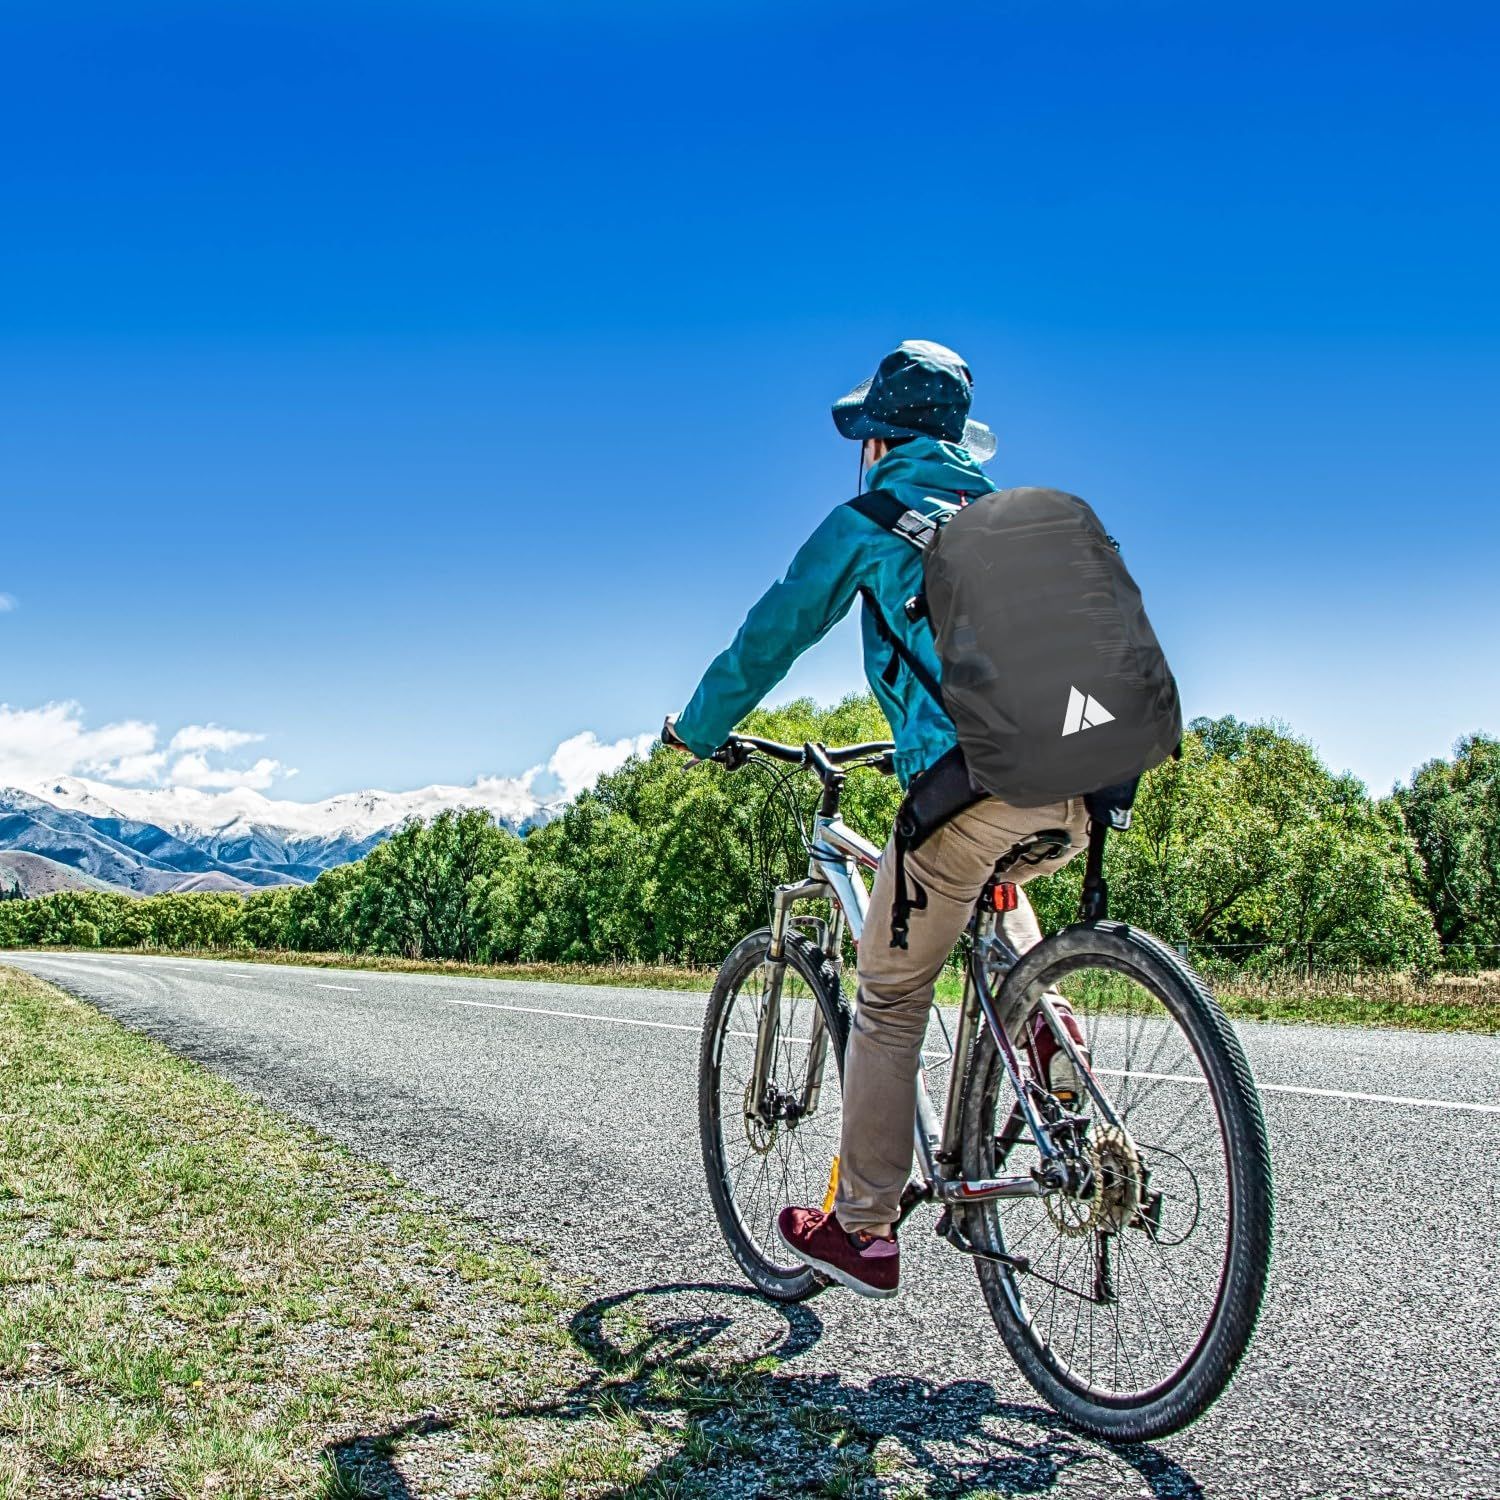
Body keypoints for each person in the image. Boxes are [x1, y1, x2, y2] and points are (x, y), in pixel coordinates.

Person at [664, 340, 1088, 1299]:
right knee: (992, 889)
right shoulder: (1021, 521)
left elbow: (772, 633)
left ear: (880, 439)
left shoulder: (871, 519)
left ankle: (862, 1229)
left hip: (974, 785)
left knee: (892, 996)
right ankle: (1048, 1028)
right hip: (1089, 785)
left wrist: (696, 731)